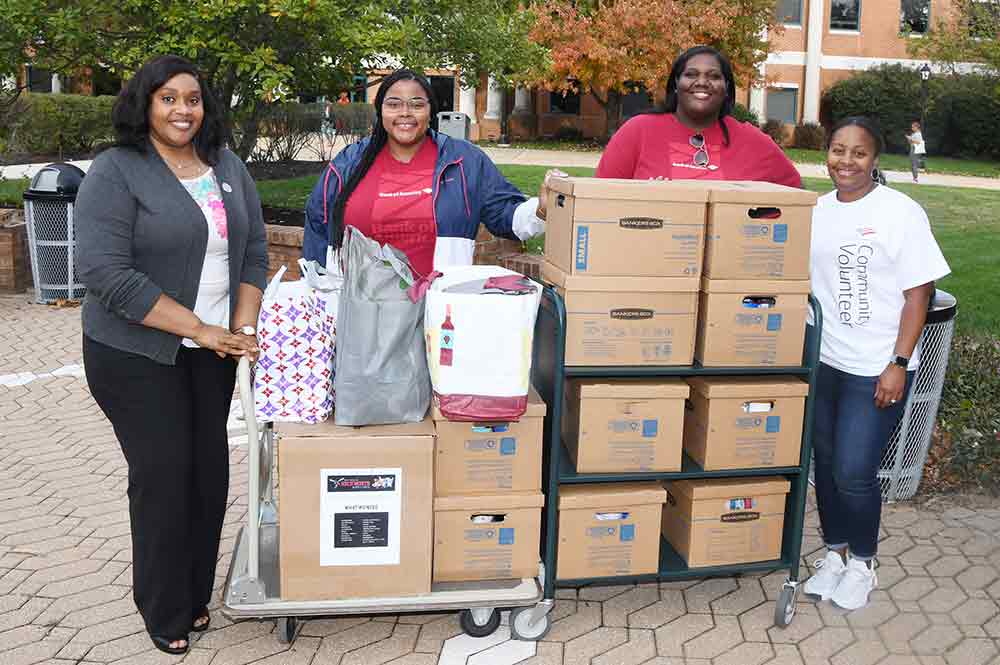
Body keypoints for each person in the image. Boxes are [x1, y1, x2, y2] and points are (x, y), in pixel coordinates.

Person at [75, 55, 268, 655]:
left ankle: (194, 594)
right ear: (145, 105)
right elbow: (104, 272)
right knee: (163, 475)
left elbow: (255, 250)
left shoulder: (226, 165)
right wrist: (201, 329)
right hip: (134, 351)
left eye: (192, 98)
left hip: (211, 351)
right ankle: (163, 610)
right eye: (168, 98)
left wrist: (240, 324)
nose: (183, 109)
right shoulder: (117, 171)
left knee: (208, 476)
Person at [803, 116, 950, 610]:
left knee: (854, 470)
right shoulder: (817, 211)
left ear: (875, 159)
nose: (846, 161)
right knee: (824, 467)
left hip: (876, 366)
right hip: (825, 360)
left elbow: (919, 295)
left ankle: (864, 562)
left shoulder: (899, 212)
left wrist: (898, 362)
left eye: (858, 152)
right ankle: (835, 555)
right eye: (837, 150)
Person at [303, 68, 556, 274]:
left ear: (430, 111)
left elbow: (506, 215)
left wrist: (542, 210)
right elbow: (317, 228)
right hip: (362, 317)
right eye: (393, 104)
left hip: (437, 315)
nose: (405, 112)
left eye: (416, 104)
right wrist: (319, 296)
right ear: (380, 111)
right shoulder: (348, 164)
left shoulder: (463, 161)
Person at [595, 45, 801, 187]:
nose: (702, 82)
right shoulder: (638, 131)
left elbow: (796, 199)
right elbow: (599, 199)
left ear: (726, 88)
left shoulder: (754, 141)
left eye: (714, 76)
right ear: (676, 84)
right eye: (691, 74)